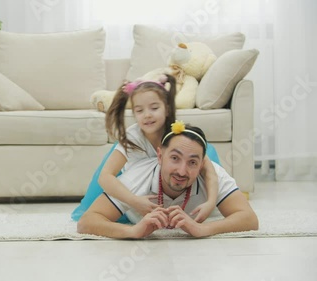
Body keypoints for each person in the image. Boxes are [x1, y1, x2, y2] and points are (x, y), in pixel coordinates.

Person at [71, 74, 221, 224]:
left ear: (167, 109)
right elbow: (105, 177)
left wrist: (211, 202)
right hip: (138, 191)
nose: (147, 115)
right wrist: (134, 201)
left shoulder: (177, 135)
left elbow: (209, 171)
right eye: (139, 111)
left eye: (154, 108)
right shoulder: (132, 138)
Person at [77, 122, 259, 238]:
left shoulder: (213, 174)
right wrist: (131, 231)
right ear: (160, 156)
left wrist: (202, 229)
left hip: (204, 158)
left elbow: (249, 219)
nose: (182, 171)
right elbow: (87, 221)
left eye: (192, 163)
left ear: (202, 164)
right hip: (135, 166)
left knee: (200, 151)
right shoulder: (135, 179)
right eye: (174, 158)